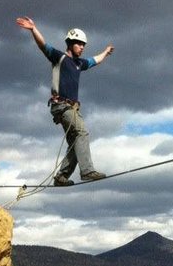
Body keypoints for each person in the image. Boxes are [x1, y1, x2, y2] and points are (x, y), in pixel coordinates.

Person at [16, 16, 114, 186]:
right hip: (61, 105)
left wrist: (105, 52)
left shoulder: (79, 64)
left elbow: (94, 60)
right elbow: (43, 45)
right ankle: (87, 171)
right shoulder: (59, 58)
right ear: (69, 43)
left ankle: (61, 177)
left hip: (71, 109)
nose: (82, 47)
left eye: (83, 45)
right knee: (82, 133)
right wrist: (33, 29)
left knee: (76, 143)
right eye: (78, 43)